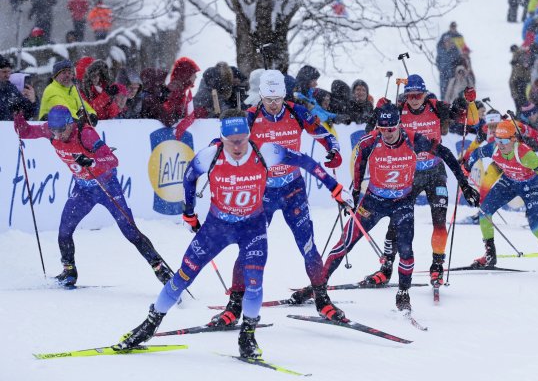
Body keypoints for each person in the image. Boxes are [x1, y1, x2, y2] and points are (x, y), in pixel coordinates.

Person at [115, 109, 351, 357]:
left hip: (253, 227)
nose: (237, 146)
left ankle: (247, 335)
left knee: (254, 283)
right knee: (183, 276)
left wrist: (335, 187)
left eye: (242, 139)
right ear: (221, 138)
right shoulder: (210, 155)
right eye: (231, 141)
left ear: (249, 135)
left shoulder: (266, 151)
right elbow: (188, 178)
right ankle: (150, 324)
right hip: (217, 227)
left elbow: (307, 162)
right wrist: (189, 213)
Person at [305, 104, 476, 320]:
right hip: (374, 201)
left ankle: (403, 293)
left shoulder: (415, 139)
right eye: (383, 128)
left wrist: (465, 184)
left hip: (402, 201)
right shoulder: (370, 141)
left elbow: (447, 154)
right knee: (345, 242)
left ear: (399, 125)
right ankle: (319, 288)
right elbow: (359, 164)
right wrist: (356, 193)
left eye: (392, 128)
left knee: (406, 250)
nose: (387, 133)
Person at [210, 71, 343, 325]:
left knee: (308, 245)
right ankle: (234, 306)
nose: (273, 104)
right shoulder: (250, 116)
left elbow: (325, 135)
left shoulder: (297, 112)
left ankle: (322, 300)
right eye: (269, 98)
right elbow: (224, 141)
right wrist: (214, 154)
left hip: (293, 189)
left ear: (284, 95)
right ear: (261, 95)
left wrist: (333, 150)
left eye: (278, 98)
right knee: (248, 248)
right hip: (262, 192)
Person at [14, 106, 173, 287]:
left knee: (129, 230)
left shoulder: (86, 134)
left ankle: (159, 267)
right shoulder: (50, 130)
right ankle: (69, 271)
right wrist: (18, 114)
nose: (57, 135)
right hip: (84, 190)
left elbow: (113, 160)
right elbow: (25, 131)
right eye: (53, 130)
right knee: (64, 230)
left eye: (61, 130)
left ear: (70, 123)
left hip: (107, 187)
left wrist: (93, 161)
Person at [359, 75, 477, 289]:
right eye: (410, 95)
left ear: (425, 94)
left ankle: (437, 267)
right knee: (396, 222)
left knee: (439, 220)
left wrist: (467, 101)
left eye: (418, 95)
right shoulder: (397, 109)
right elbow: (370, 130)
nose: (414, 99)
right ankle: (386, 269)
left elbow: (469, 119)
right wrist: (377, 111)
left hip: (435, 171)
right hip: (409, 173)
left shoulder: (436, 107)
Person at [465, 121, 538, 275]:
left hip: (529, 185)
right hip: (508, 182)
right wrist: (466, 169)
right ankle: (490, 256)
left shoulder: (525, 154)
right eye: (498, 140)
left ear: (514, 139)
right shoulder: (494, 148)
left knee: (536, 227)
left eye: (504, 140)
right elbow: (476, 154)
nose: (500, 144)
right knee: (484, 213)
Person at [0, 55, 38, 120]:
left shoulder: (11, 88)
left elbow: (29, 114)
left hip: (9, 128)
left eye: (9, 72)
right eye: (4, 72)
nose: (8, 75)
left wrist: (32, 101)